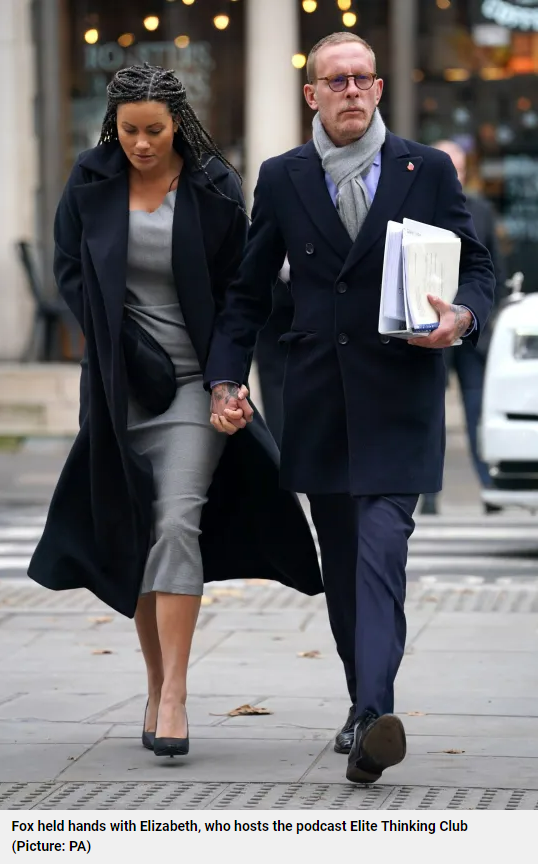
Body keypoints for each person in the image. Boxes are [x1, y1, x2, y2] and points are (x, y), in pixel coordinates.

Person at [205, 33, 494, 784]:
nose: (351, 91)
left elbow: (477, 267)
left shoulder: (424, 168)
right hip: (317, 401)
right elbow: (245, 294)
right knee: (342, 566)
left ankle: (372, 714)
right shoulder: (283, 177)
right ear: (312, 94)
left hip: (400, 397)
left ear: (377, 88)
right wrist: (225, 378)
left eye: (362, 78)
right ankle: (362, 703)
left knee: (380, 553)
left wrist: (459, 318)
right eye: (335, 80)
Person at [28, 63, 321, 761]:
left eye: (153, 131)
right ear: (114, 126)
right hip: (117, 384)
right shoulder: (90, 181)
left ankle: (176, 693)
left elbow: (238, 294)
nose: (140, 144)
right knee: (133, 524)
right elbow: (69, 271)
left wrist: (227, 382)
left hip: (194, 384)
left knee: (174, 520)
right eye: (128, 131)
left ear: (177, 124)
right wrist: (113, 341)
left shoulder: (214, 187)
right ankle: (155, 682)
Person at [420, 140, 506, 515]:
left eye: (455, 165)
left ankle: (489, 488)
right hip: (432, 326)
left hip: (472, 333)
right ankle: (430, 493)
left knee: (476, 411)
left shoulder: (482, 209)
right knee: (429, 412)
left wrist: (485, 320)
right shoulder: (419, 207)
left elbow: (492, 270)